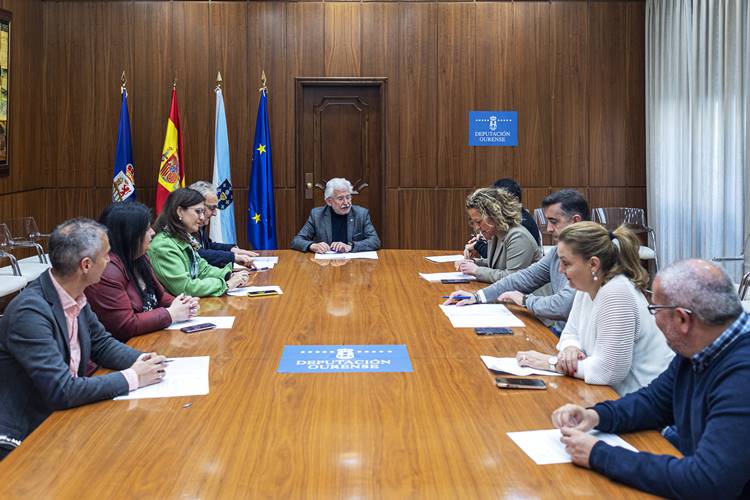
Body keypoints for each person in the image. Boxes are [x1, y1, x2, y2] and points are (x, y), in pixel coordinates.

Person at [552, 259, 750, 498]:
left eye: (655, 309)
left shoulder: (742, 376)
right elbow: (654, 402)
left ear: (682, 319)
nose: (654, 320)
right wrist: (596, 415)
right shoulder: (701, 347)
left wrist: (598, 454)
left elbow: (707, 482)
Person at [0, 219, 168, 460]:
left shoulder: (74, 294)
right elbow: (61, 389)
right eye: (106, 255)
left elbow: (101, 344)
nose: (110, 261)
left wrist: (146, 360)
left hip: (63, 415)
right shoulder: (30, 313)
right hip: (28, 434)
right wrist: (133, 377)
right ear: (86, 265)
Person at [513, 222, 673, 396]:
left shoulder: (616, 292)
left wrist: (551, 363)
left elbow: (608, 372)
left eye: (566, 264)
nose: (560, 270)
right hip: (606, 393)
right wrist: (570, 349)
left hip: (641, 402)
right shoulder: (588, 284)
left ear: (593, 264)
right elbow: (570, 332)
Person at [445, 189, 589, 334]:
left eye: (554, 222)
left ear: (575, 221)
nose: (549, 229)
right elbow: (524, 277)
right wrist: (478, 296)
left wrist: (525, 300)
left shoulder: (591, 254)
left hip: (561, 331)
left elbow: (563, 306)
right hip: (565, 333)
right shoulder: (557, 251)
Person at [86, 202, 199, 342]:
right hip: (127, 346)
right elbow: (125, 325)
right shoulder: (107, 271)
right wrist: (170, 314)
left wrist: (182, 303)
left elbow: (159, 296)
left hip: (152, 337)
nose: (153, 232)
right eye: (146, 229)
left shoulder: (140, 257)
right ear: (130, 235)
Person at [148, 188, 250, 297]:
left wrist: (228, 275)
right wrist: (226, 284)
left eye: (202, 212)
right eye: (198, 211)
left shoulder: (182, 237)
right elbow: (185, 288)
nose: (202, 217)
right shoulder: (163, 246)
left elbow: (202, 269)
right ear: (179, 211)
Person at [454, 187, 541, 283]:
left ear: (495, 215)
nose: (476, 228)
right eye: (473, 223)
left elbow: (512, 279)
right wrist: (473, 263)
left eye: (478, 222)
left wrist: (476, 270)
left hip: (528, 296)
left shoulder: (518, 237)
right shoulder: (496, 233)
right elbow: (496, 265)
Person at [291, 178, 380, 253]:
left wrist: (350, 246)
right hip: (326, 265)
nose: (346, 203)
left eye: (348, 197)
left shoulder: (361, 214)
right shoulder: (317, 215)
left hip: (353, 265)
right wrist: (312, 245)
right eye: (340, 198)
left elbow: (375, 241)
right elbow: (297, 241)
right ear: (329, 201)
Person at [189, 181, 258, 268]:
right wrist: (232, 257)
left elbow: (207, 246)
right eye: (212, 208)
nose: (215, 214)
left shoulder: (199, 224)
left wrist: (234, 250)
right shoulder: (186, 226)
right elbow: (198, 254)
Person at [470, 178, 540, 258]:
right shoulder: (503, 223)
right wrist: (483, 239)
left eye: (500, 200)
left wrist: (478, 245)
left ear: (515, 200)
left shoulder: (521, 224)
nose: (494, 205)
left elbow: (501, 257)